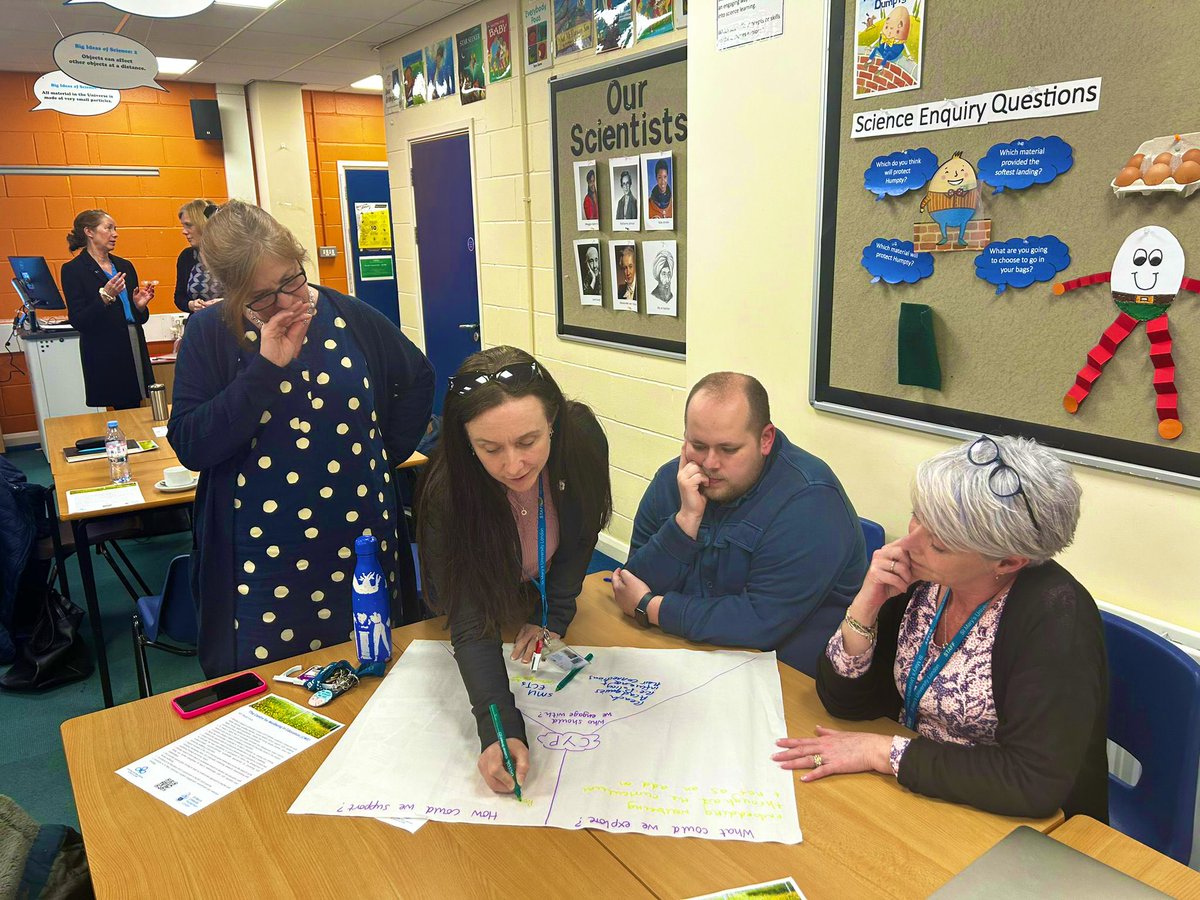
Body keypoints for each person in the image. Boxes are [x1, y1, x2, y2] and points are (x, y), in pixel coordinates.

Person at [775, 435, 1108, 821]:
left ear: (1008, 562)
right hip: (917, 790)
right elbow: (846, 704)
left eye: (940, 543)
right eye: (918, 515)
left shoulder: (1056, 620)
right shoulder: (922, 580)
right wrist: (865, 605)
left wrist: (882, 752)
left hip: (1014, 822)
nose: (909, 543)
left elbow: (1032, 782)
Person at [168, 200, 435, 677]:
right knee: (275, 691)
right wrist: (265, 368)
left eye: (291, 280)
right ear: (231, 294)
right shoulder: (210, 334)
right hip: (266, 555)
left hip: (362, 539)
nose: (289, 302)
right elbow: (191, 444)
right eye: (263, 297)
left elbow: (416, 377)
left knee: (376, 671)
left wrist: (383, 455)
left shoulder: (347, 314)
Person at [417, 346, 611, 795]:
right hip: (483, 599)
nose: (514, 465)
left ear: (554, 424)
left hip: (536, 593)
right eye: (489, 448)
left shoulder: (581, 440)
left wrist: (553, 616)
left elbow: (580, 537)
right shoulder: (447, 490)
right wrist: (498, 727)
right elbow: (468, 614)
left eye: (528, 441)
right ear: (466, 442)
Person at [611, 373, 866, 676]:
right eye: (698, 445)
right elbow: (631, 585)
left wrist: (653, 609)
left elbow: (761, 622)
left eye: (728, 449)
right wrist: (685, 522)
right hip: (691, 655)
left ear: (765, 440)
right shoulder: (674, 481)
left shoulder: (812, 500)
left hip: (785, 677)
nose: (710, 463)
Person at [60, 209, 156, 410]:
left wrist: (139, 306)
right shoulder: (73, 270)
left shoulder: (124, 266)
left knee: (136, 404)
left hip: (133, 342)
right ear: (89, 232)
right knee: (118, 408)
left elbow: (137, 317)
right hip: (104, 349)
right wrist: (105, 297)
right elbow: (79, 320)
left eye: (116, 229)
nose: (115, 234)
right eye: (109, 228)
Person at [174, 199, 223, 314]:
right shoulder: (187, 257)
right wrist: (190, 305)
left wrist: (224, 303)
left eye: (188, 225)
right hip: (199, 324)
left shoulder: (232, 254)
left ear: (203, 224)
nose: (184, 231)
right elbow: (179, 297)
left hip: (230, 324)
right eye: (183, 226)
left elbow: (248, 296)